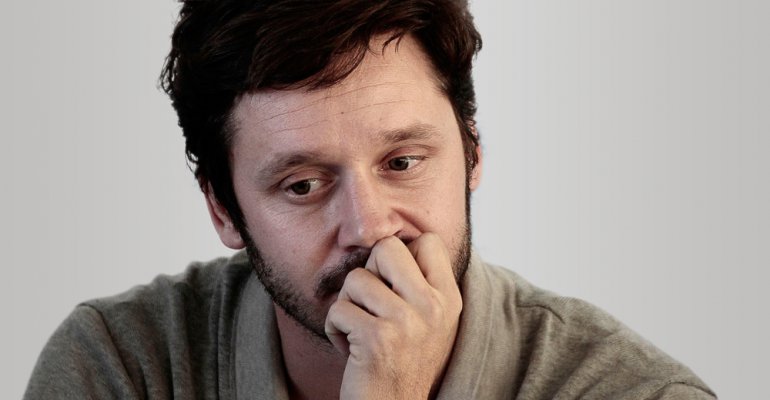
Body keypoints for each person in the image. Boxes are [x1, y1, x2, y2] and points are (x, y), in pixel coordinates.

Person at [24, 0, 716, 399]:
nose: (369, 226)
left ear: (473, 155)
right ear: (223, 211)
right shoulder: (119, 367)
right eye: (303, 185)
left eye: (402, 162)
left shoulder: (630, 394)